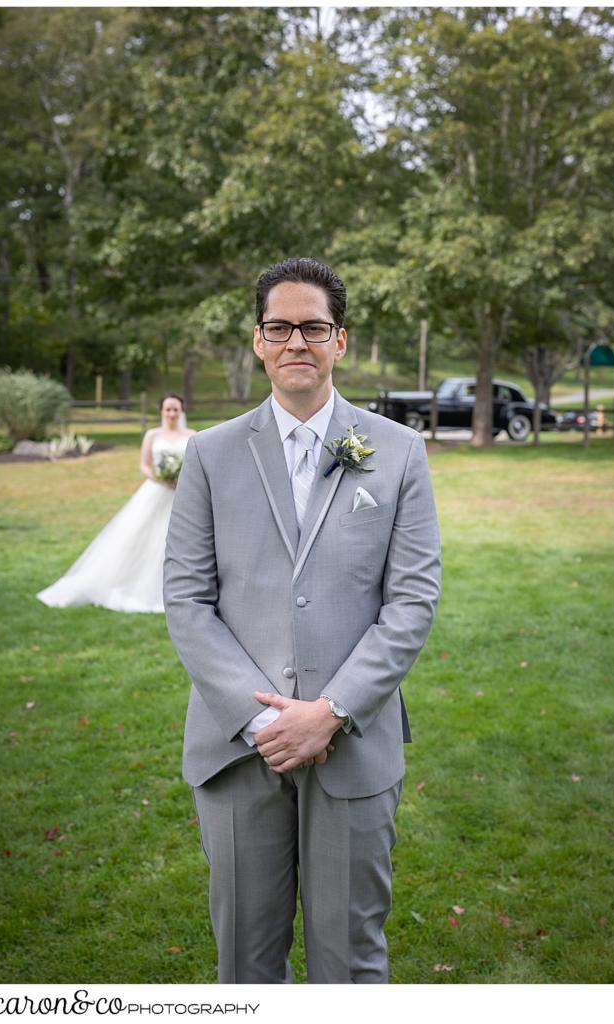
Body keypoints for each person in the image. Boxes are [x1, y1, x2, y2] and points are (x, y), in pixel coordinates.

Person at [163, 258, 441, 984]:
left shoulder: (399, 453)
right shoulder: (209, 454)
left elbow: (411, 600)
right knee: (245, 965)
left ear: (339, 341)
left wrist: (331, 712)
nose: (297, 342)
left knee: (349, 960)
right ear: (258, 341)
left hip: (352, 746)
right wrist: (263, 723)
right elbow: (186, 599)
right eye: (279, 327)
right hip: (236, 748)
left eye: (313, 327)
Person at [37, 393, 195, 614]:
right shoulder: (152, 434)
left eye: (175, 409)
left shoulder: (192, 435)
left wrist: (180, 478)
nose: (171, 414)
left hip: (181, 493)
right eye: (167, 409)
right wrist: (162, 478)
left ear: (182, 411)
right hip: (156, 491)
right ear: (161, 411)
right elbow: (144, 466)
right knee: (142, 537)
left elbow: (195, 464)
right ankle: (135, 584)